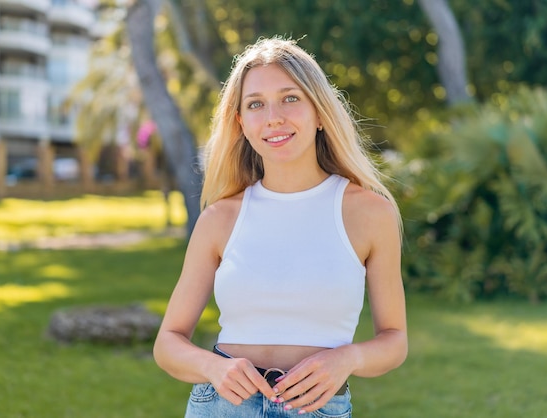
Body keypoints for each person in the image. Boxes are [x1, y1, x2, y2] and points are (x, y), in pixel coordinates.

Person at [153, 36, 407, 417]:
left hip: (316, 409)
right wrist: (213, 367)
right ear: (241, 123)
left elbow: (395, 340)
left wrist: (347, 359)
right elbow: (167, 343)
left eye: (290, 98)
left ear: (319, 112)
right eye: (256, 104)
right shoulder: (220, 219)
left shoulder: (371, 213)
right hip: (222, 407)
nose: (273, 117)